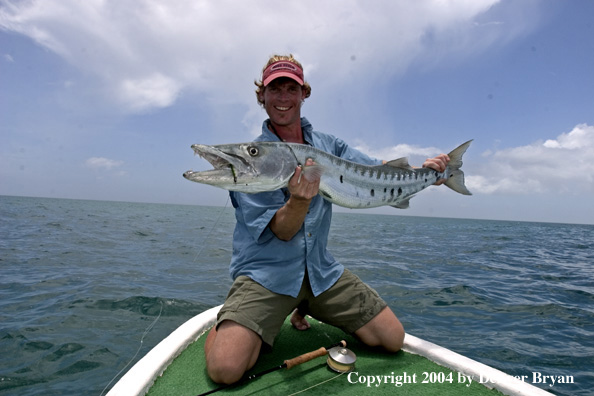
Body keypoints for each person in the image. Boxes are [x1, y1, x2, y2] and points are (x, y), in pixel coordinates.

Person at [204, 54, 450, 384]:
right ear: (261, 95)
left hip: (320, 271)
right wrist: (299, 201)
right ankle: (225, 327)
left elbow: (377, 170)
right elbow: (282, 231)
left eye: (291, 89)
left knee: (392, 339)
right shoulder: (254, 162)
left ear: (304, 94)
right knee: (225, 370)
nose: (282, 98)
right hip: (267, 275)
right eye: (274, 89)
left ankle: (304, 305)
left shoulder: (329, 145)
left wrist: (428, 172)